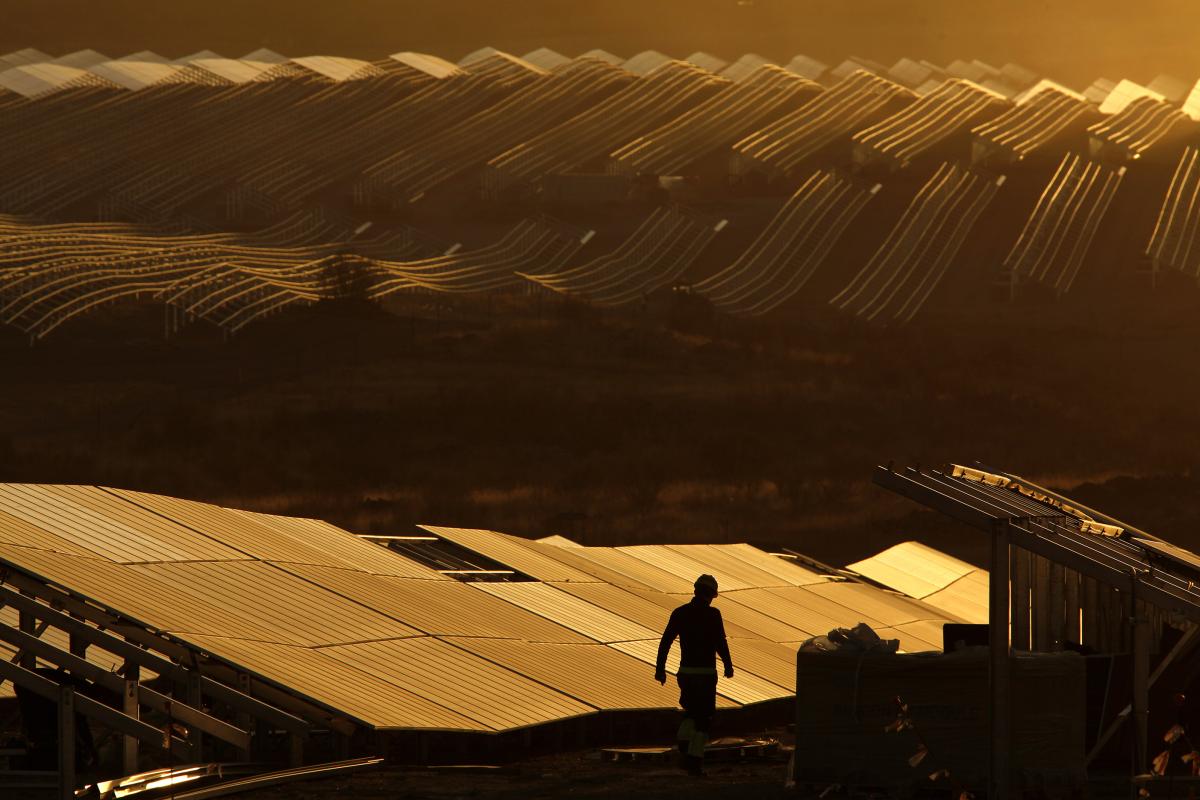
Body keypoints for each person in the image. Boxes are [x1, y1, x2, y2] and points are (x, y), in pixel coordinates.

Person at [655, 573, 734, 776]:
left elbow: (665, 642)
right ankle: (694, 762)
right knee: (704, 719)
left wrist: (660, 669)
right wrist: (727, 664)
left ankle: (683, 743)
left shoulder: (680, 613)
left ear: (696, 591)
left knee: (690, 711)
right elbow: (720, 643)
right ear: (711, 595)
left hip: (686, 674)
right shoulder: (713, 615)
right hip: (706, 674)